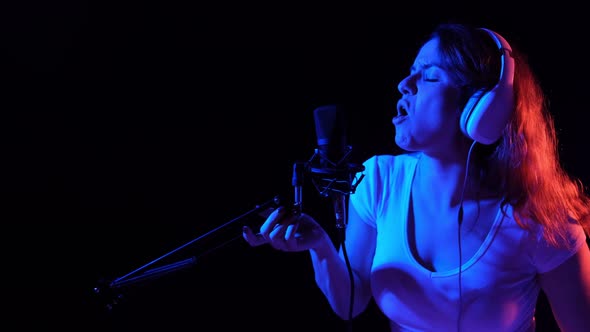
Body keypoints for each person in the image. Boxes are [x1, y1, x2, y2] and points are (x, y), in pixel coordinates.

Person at [242, 22, 590, 331]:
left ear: (482, 109)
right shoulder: (379, 180)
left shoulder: (542, 222)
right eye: (410, 72)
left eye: (429, 75)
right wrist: (319, 247)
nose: (404, 85)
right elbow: (351, 301)